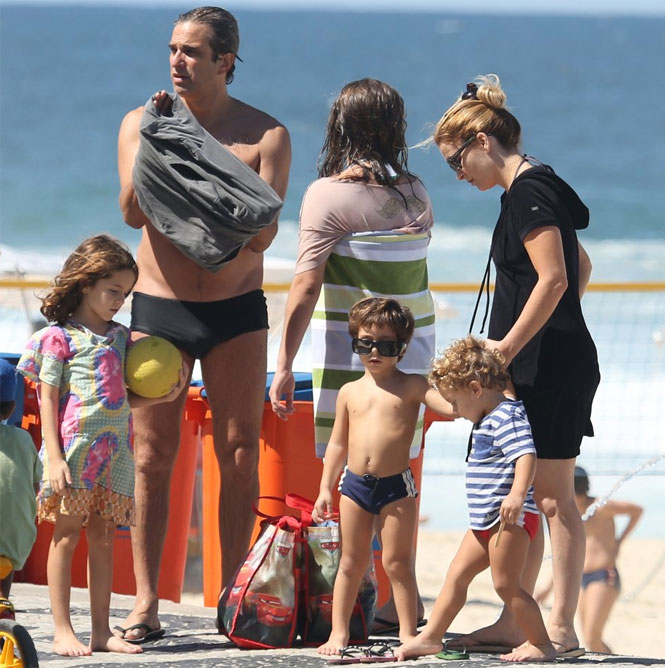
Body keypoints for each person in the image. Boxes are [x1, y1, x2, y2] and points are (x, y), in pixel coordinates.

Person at [116, 6, 291, 642]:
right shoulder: (142, 124)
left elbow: (260, 236)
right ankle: (145, 603)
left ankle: (228, 598)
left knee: (240, 454)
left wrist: (200, 169)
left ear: (226, 62)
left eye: (191, 51)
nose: (176, 61)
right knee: (152, 458)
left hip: (236, 313)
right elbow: (135, 213)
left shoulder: (265, 136)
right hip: (159, 306)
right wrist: (168, 144)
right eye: (172, 49)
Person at [430, 74, 599, 657]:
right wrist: (553, 330)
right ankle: (513, 621)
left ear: (481, 141)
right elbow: (582, 267)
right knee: (524, 497)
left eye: (456, 160)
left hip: (546, 366)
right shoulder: (531, 189)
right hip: (549, 357)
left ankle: (560, 629)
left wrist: (507, 349)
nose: (457, 174)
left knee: (553, 497)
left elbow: (555, 278)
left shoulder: (529, 192)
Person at [269, 77, 434, 632]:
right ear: (395, 129)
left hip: (356, 352)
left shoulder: (327, 195)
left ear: (339, 127)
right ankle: (390, 604)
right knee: (400, 470)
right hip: (414, 349)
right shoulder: (416, 193)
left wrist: (286, 360)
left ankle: (355, 601)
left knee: (346, 471)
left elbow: (306, 286)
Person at [15, 235, 186, 656]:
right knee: (66, 536)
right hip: (73, 450)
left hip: (115, 452)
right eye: (113, 291)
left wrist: (160, 398)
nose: (119, 301)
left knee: (105, 537)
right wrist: (53, 457)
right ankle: (61, 629)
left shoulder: (121, 339)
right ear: (86, 284)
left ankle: (99, 631)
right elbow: (48, 399)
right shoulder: (59, 338)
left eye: (125, 294)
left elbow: (120, 397)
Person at [397, 336, 556, 663]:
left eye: (455, 403)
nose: (455, 411)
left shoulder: (506, 415)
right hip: (484, 521)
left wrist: (516, 494)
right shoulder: (489, 414)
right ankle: (431, 638)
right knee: (457, 575)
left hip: (508, 520)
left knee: (506, 586)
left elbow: (526, 454)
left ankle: (541, 643)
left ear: (474, 389)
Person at [311, 298, 453, 655]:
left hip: (396, 486)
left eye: (386, 345)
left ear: (403, 349)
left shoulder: (413, 386)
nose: (375, 351)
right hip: (354, 485)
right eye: (366, 343)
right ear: (355, 343)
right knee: (350, 561)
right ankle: (338, 634)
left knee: (397, 562)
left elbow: (453, 408)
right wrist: (324, 489)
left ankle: (408, 633)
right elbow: (337, 444)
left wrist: (467, 385)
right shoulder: (348, 392)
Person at [537, 466, 643, 653]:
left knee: (593, 637)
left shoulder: (601, 506)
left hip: (603, 576)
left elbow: (637, 510)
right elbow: (567, 556)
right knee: (588, 638)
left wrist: (619, 541)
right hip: (580, 579)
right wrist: (548, 587)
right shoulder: (568, 511)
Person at [0, 358, 42, 610]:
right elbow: (35, 482)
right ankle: (4, 601)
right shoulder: (23, 439)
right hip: (18, 542)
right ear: (11, 407)